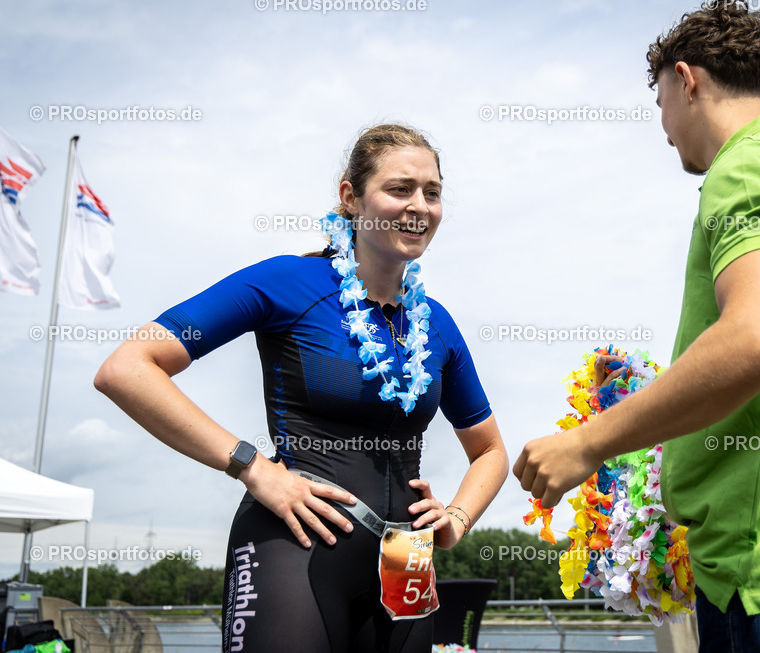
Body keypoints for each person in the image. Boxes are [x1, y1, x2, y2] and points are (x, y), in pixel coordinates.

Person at [513, 0, 760, 652]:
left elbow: (758, 339)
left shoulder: (747, 168)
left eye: (660, 106)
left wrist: (587, 443)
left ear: (687, 80)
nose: (665, 129)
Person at [95, 123, 508, 652]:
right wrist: (251, 466)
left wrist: (457, 517)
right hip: (295, 548)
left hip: (408, 560)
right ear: (350, 198)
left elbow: (490, 450)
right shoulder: (288, 284)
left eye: (433, 192)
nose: (419, 206)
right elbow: (128, 367)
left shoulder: (437, 325)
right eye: (400, 189)